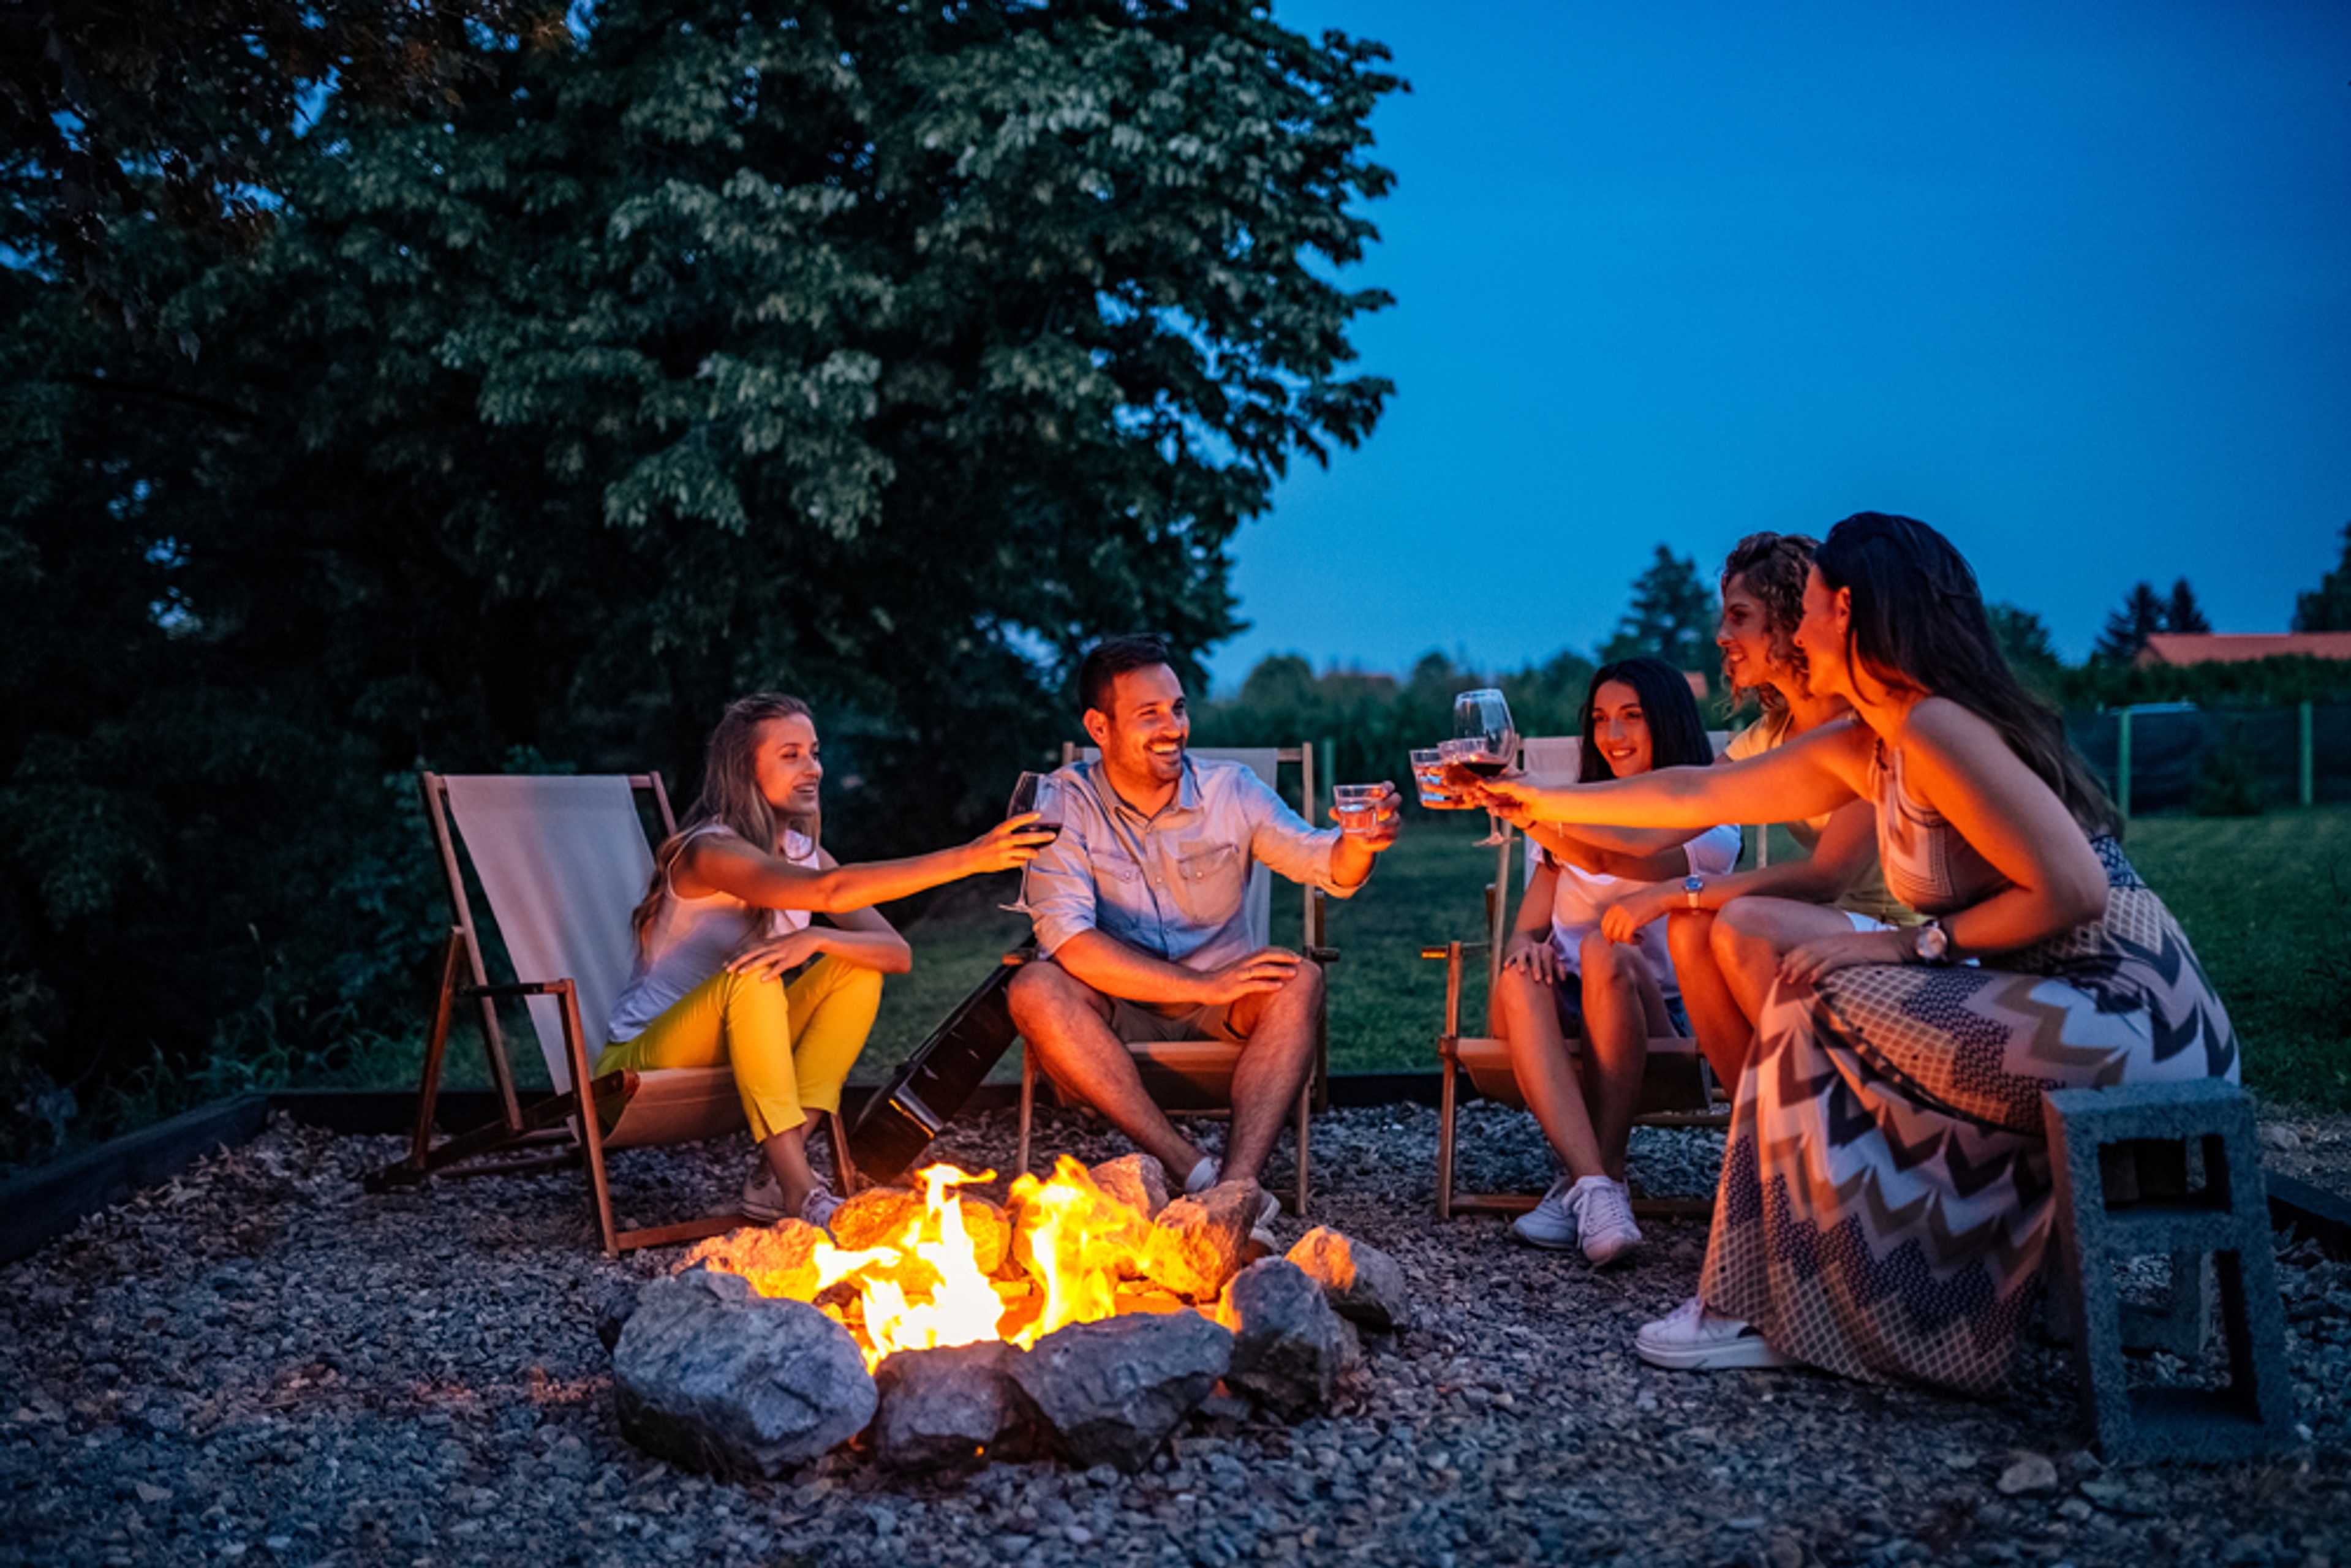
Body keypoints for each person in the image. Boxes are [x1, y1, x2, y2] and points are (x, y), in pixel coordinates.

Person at [1463, 514, 2237, 1391]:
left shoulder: (1936, 727)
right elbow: (1697, 791)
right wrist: (1536, 803)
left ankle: (1770, 1298)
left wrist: (1916, 944)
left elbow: (2074, 894)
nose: (1792, 629)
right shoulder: (1870, 739)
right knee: (1793, 966)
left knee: (1804, 983)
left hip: (2135, 1015)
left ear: (1847, 609)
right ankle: (1841, 1275)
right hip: (2046, 1003)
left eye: (1808, 607)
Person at [596, 693, 1053, 1230]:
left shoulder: (802, 853)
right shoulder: (708, 850)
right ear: (745, 768)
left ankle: (772, 1176)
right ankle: (802, 1191)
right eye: (790, 754)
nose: (812, 767)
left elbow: (895, 954)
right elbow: (829, 892)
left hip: (739, 1051)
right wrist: (970, 857)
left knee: (856, 967)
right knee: (757, 975)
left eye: (814, 752)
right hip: (643, 1065)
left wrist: (819, 941)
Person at [1007, 635, 1401, 1227]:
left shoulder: (1231, 791)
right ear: (1100, 726)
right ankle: (1191, 1168)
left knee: (1300, 979)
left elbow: (1324, 862)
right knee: (1034, 987)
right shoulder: (1064, 803)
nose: (1174, 728)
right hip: (1116, 1007)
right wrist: (1201, 982)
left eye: (1179, 708)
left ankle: (1238, 1185)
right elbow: (1071, 942)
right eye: (1150, 714)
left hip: (1226, 1013)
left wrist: (1359, 845)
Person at [1596, 532, 1915, 1093]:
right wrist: (1534, 811)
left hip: (1906, 931)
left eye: (1739, 616)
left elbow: (1827, 876)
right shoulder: (1772, 734)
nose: (1723, 636)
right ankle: (1760, 1126)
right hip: (1837, 921)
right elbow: (1665, 817)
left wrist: (1676, 891)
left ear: (1793, 622)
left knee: (1739, 922)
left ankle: (1807, 1120)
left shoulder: (1866, 724)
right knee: (1692, 930)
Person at [1485, 657, 1740, 1264]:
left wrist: (1547, 822)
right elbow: (1524, 929)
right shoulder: (1575, 809)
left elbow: (1621, 864)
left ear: (1668, 721)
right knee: (1519, 980)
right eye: (1600, 718)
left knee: (1607, 947)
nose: (1613, 734)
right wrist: (1531, 950)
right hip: (1567, 1006)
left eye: (1632, 716)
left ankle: (1598, 1174)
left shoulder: (1708, 816)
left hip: (1659, 1017)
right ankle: (1596, 1186)